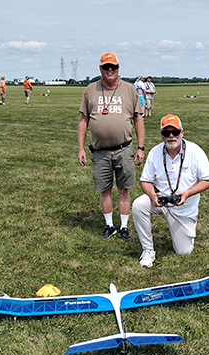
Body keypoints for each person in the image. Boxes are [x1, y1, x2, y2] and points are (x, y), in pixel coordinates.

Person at [77, 52, 146, 240]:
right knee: (104, 189)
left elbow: (138, 120)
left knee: (124, 189)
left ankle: (124, 227)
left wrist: (140, 148)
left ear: (118, 69)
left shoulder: (129, 89)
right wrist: (81, 148)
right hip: (100, 151)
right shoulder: (90, 90)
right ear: (100, 68)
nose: (110, 70)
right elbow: (83, 120)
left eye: (113, 67)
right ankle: (109, 225)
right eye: (106, 67)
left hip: (124, 149)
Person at [132, 114, 209, 267]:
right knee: (138, 205)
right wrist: (152, 195)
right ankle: (148, 250)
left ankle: (182, 232)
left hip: (184, 208)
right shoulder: (155, 152)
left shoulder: (195, 151)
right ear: (161, 135)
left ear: (182, 132)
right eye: (166, 133)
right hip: (161, 202)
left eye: (175, 132)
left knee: (184, 252)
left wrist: (187, 194)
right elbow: (145, 181)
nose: (171, 136)